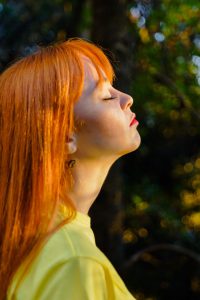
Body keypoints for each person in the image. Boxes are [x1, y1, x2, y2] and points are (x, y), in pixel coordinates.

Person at [0, 38, 141, 300]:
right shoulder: (75, 263)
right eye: (106, 95)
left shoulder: (28, 243)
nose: (127, 99)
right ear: (65, 136)